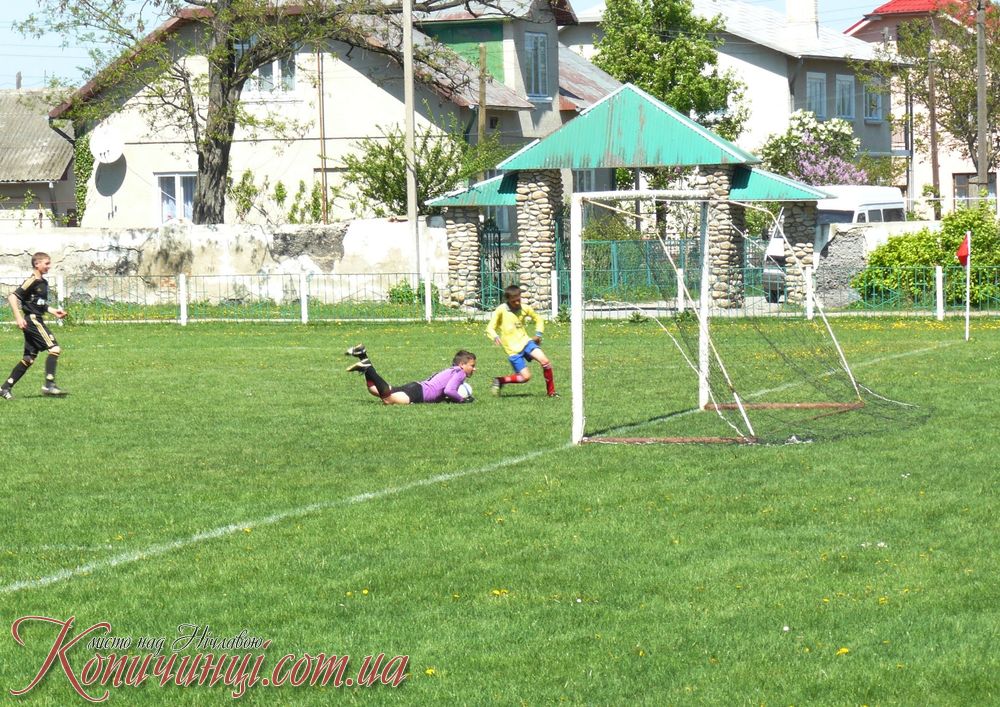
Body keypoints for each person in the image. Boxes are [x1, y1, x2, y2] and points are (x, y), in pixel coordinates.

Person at [1, 252, 68, 400]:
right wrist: (18, 317)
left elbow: (40, 304)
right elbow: (12, 297)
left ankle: (5, 387)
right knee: (55, 349)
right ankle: (49, 384)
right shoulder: (31, 281)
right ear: (37, 264)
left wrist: (54, 311)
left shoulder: (44, 283)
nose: (49, 266)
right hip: (33, 320)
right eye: (47, 263)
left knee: (29, 358)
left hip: (36, 319)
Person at [486, 284, 557, 397]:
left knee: (545, 362)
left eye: (518, 299)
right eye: (513, 301)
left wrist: (538, 334)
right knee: (525, 377)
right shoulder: (501, 310)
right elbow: (490, 327)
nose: (517, 303)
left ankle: (551, 393)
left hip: (526, 342)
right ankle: (500, 380)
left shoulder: (525, 308)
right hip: (512, 350)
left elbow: (538, 319)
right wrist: (495, 336)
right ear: (507, 299)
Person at [345, 344, 476, 405]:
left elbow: (443, 390)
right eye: (472, 365)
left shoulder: (451, 370)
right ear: (462, 365)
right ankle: (367, 367)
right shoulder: (460, 373)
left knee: (374, 390)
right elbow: (449, 390)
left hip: (416, 386)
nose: (474, 369)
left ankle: (363, 355)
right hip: (419, 393)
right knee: (388, 400)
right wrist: (462, 400)